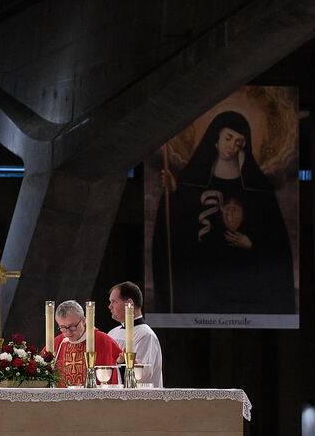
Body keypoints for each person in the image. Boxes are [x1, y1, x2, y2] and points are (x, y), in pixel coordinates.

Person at [153, 110, 294, 315]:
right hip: (204, 278)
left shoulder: (257, 185)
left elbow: (275, 237)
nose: (232, 146)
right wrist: (173, 194)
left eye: (238, 142)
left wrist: (251, 244)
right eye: (228, 138)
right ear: (216, 137)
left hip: (243, 279)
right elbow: (179, 228)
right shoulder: (192, 180)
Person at [105, 281, 164, 387]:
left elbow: (144, 375)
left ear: (129, 303)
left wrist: (121, 363)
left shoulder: (145, 335)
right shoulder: (112, 333)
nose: (110, 307)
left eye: (114, 302)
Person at [52, 300, 122, 387]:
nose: (68, 332)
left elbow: (124, 371)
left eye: (72, 326)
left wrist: (121, 362)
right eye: (63, 327)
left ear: (83, 321)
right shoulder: (58, 343)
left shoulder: (105, 341)